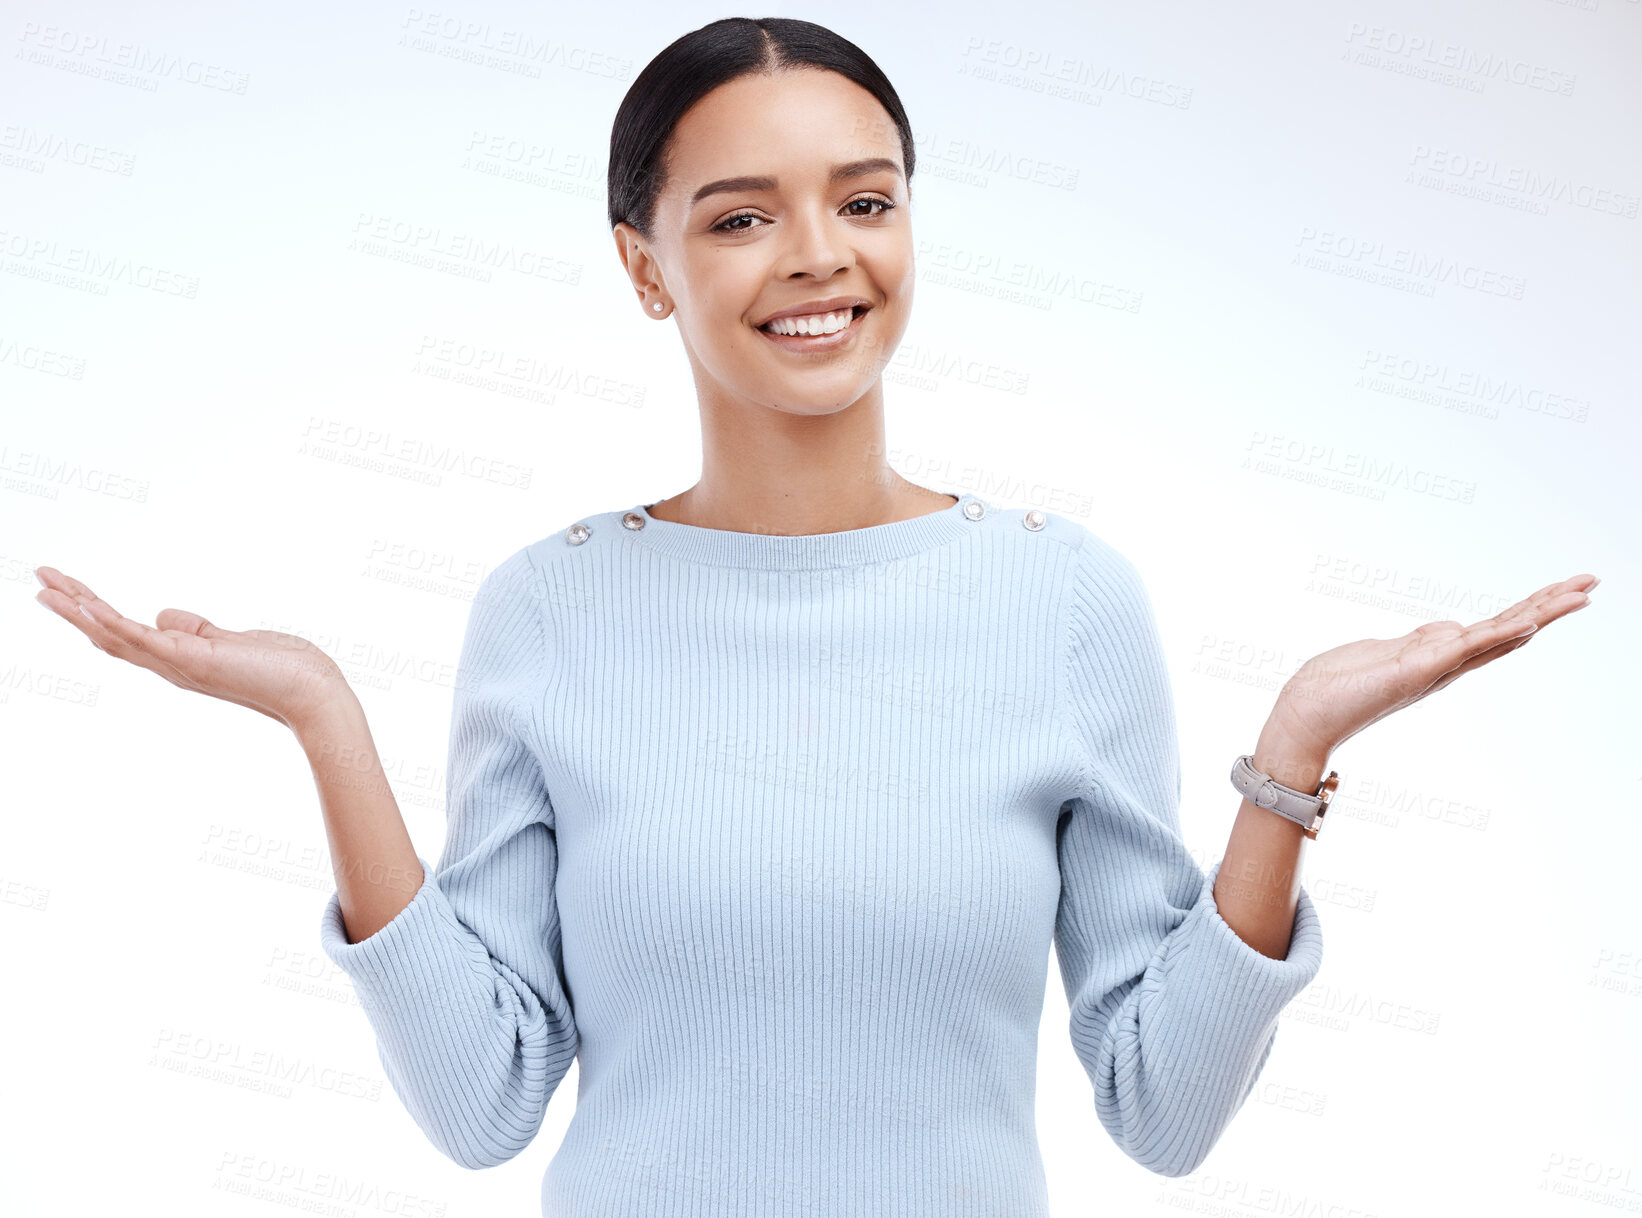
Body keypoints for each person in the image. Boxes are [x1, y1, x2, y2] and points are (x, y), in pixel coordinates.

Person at [34, 16, 1598, 1217]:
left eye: (864, 199)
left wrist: (1292, 752)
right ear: (644, 269)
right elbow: (482, 1098)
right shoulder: (549, 607)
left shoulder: (1057, 598)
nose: (819, 256)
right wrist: (328, 723)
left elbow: (1160, 1108)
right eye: (738, 217)